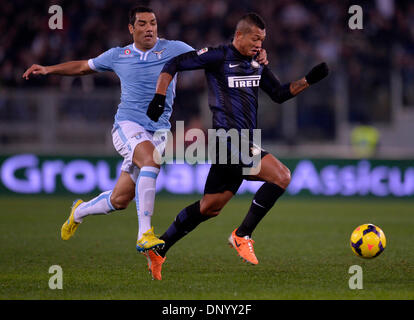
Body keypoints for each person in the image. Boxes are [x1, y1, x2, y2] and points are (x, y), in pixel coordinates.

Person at [145, 12, 329, 280]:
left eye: (262, 40)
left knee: (210, 207)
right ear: (239, 35)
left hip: (242, 143)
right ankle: (242, 235)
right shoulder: (218, 56)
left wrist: (308, 80)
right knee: (281, 176)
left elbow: (278, 94)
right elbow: (174, 63)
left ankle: (159, 248)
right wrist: (159, 97)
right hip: (227, 140)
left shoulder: (257, 63)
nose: (259, 44)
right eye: (255, 38)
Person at [21, 6, 196, 252]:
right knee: (151, 161)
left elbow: (210, 58)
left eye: (153, 23)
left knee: (120, 200)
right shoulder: (118, 55)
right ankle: (144, 233)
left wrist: (249, 57)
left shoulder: (175, 49)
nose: (149, 29)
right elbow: (83, 67)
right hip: (128, 125)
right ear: (131, 28)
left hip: (157, 132)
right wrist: (49, 69)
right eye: (143, 24)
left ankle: (79, 211)